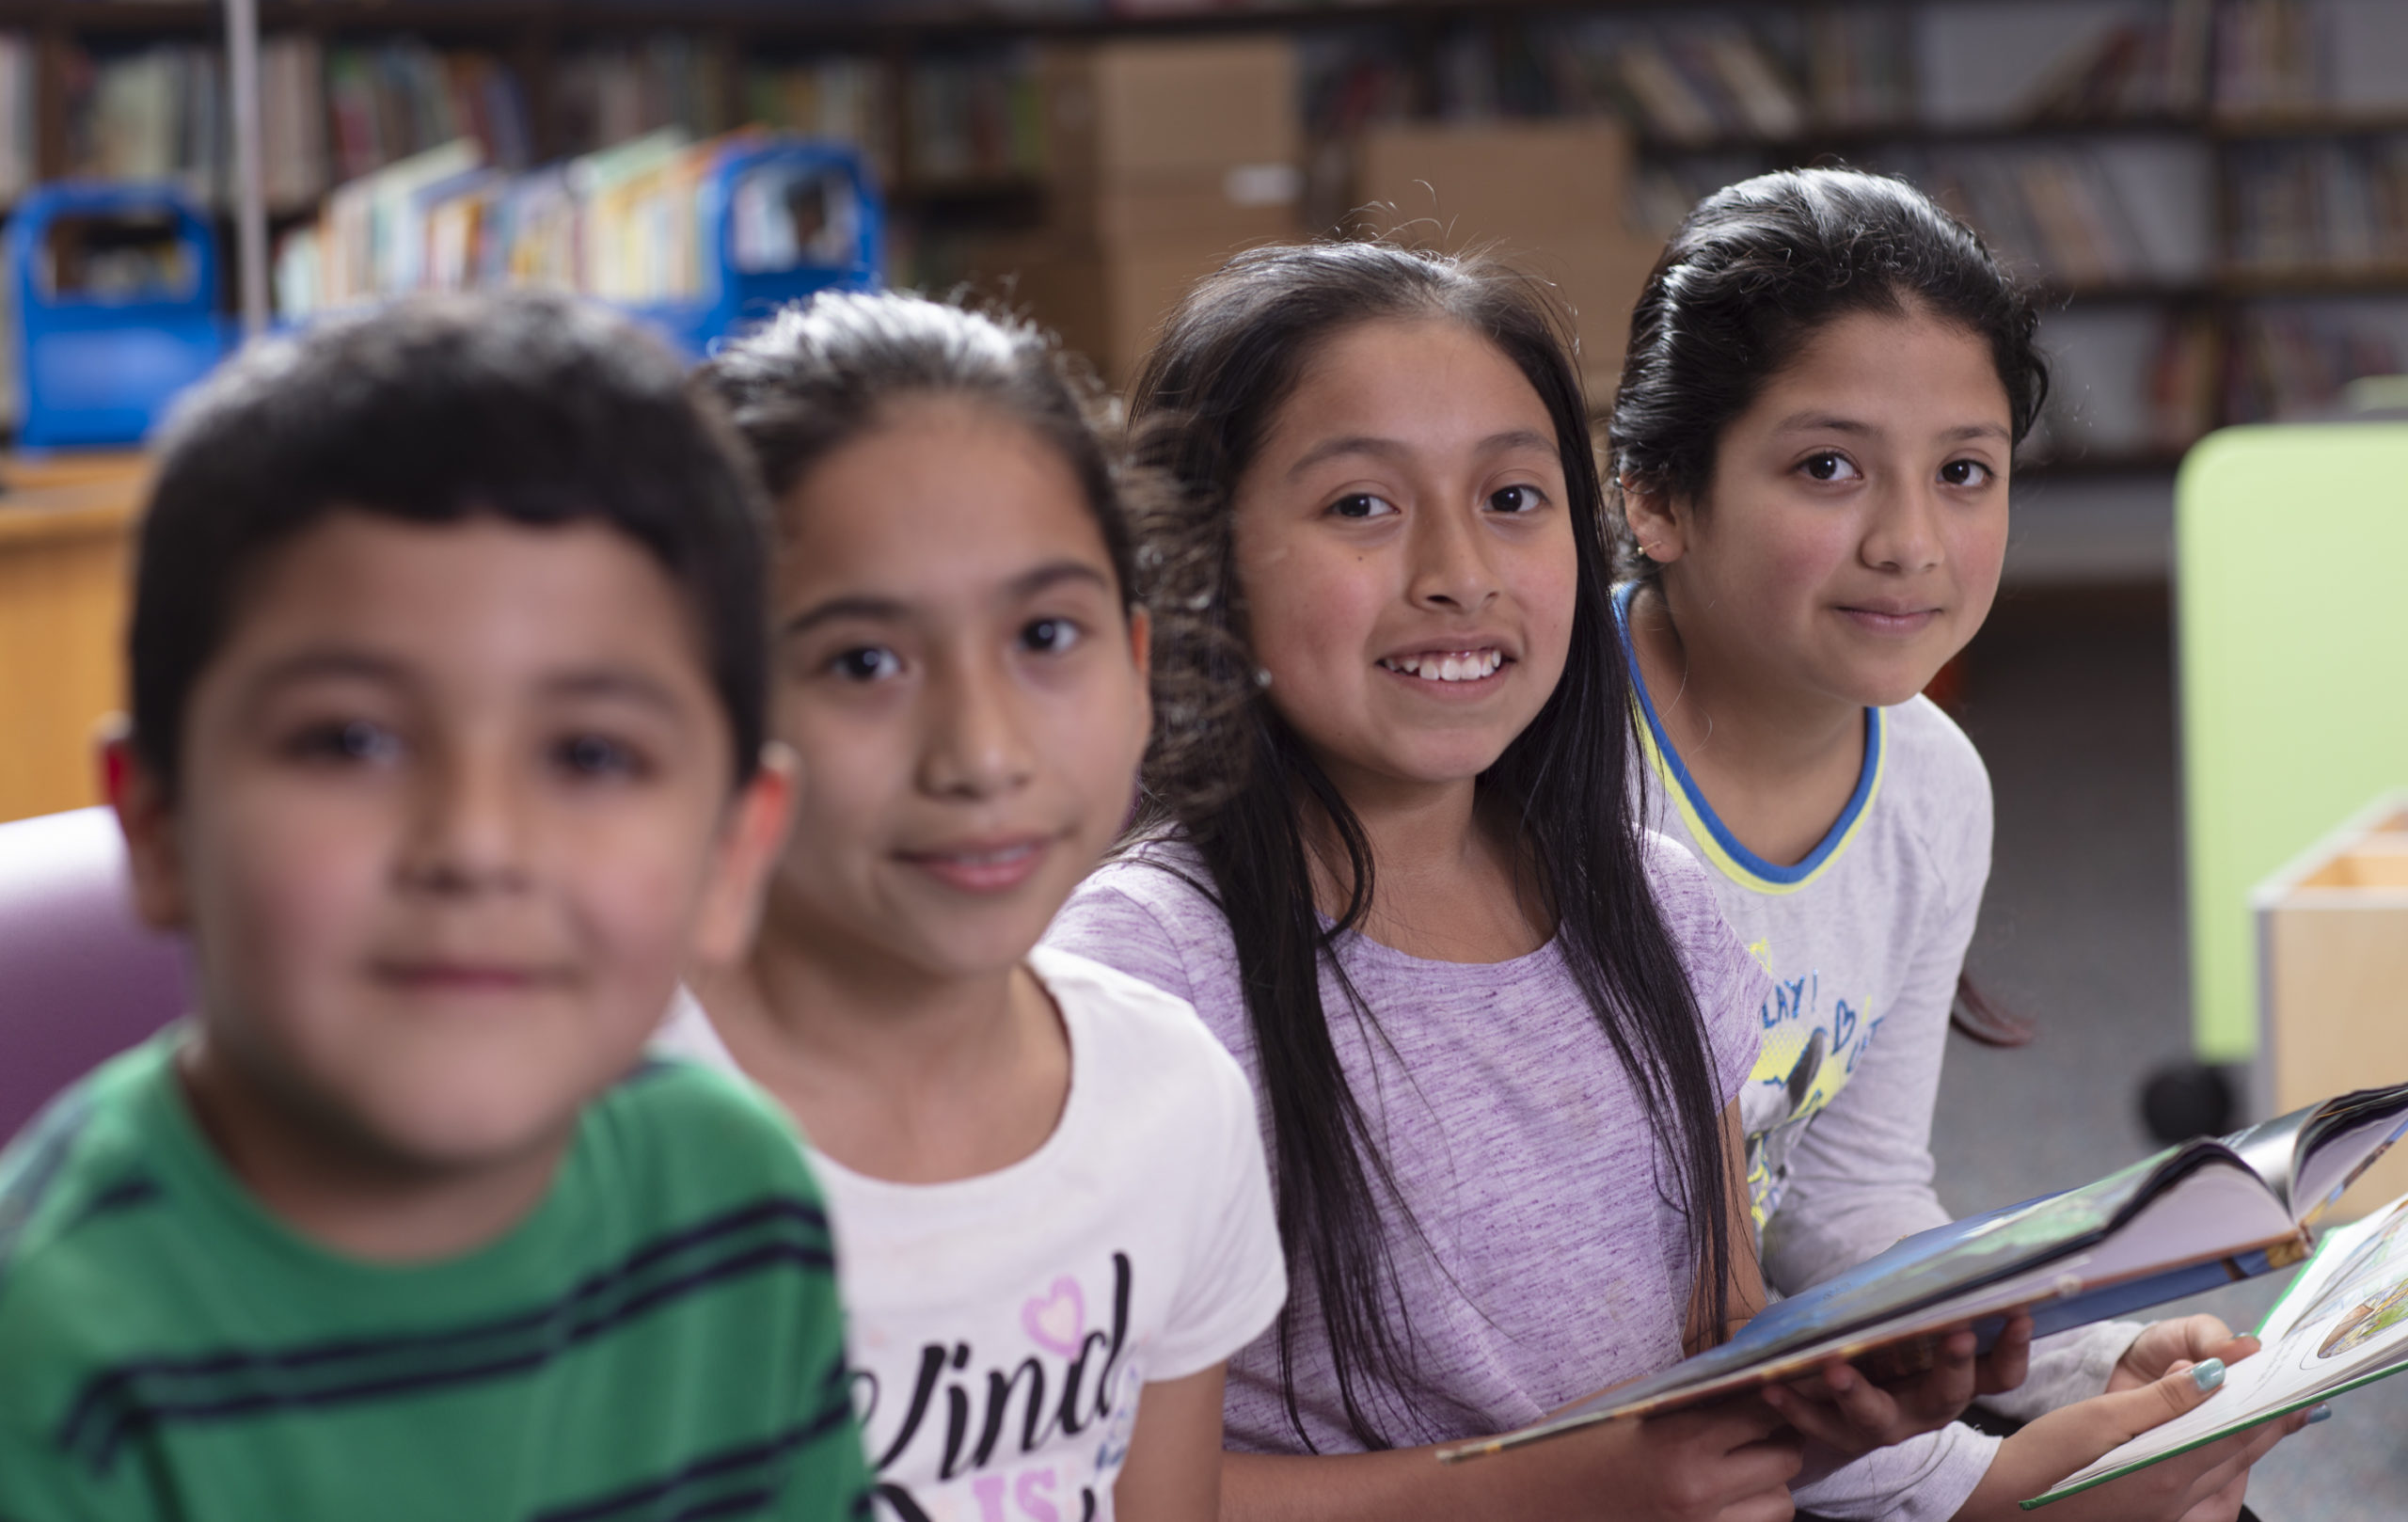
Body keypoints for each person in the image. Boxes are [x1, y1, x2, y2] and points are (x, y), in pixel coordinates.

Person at [1038, 238, 2163, 1520]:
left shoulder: (1662, 908)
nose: (1458, 573)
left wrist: (1932, 1443)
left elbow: (1727, 1354)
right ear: (1203, 565)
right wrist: (1573, 1486)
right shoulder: (1141, 976)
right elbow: (1091, 1493)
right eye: (1362, 505)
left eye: (1512, 499)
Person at [0, 295, 871, 1519]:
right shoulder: (48, 1358)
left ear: (735, 853)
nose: (475, 844)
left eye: (590, 756)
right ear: (155, 824)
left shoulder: (737, 1203)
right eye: (349, 741)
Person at [1607, 167, 2308, 1521]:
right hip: (1603, 1408)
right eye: (1828, 467)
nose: (1911, 542)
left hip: (1778, 1373)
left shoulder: (1930, 781)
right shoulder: (1552, 777)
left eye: (1965, 472)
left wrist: (2084, 1367)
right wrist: (1974, 1482)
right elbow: (1599, 1320)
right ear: (1658, 497)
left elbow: (1848, 1201)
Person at [661, 292, 1288, 1522]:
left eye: (1047, 634)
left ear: (1140, 666)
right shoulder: (579, 1129)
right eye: (864, 663)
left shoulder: (1171, 1101)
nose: (982, 754)